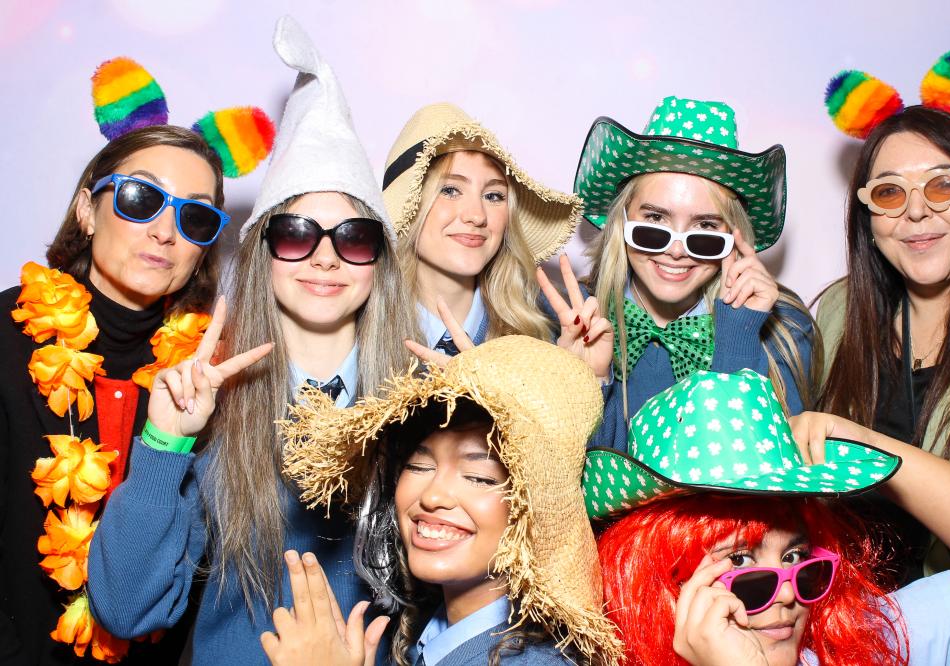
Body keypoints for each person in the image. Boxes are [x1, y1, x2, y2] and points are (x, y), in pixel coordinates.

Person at [85, 18, 417, 665]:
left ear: (378, 261)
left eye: (354, 237)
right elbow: (125, 608)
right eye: (297, 233)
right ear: (263, 251)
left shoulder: (421, 406)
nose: (325, 257)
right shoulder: (208, 404)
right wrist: (164, 443)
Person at [0, 56, 272, 665]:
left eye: (194, 216)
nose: (165, 231)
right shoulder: (4, 338)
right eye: (141, 198)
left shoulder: (216, 376)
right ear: (87, 209)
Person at [590, 369, 950, 665]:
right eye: (740, 560)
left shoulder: (860, 644)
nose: (789, 594)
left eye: (795, 557)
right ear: (664, 579)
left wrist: (871, 446)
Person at [277, 336, 622, 665]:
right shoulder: (433, 633)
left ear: (536, 512)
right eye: (419, 466)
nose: (432, 496)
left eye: (479, 477)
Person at [817, 48, 950, 584]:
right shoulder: (838, 313)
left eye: (943, 185)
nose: (916, 211)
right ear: (869, 220)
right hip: (838, 607)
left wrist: (864, 444)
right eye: (890, 192)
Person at [575, 96, 817, 453]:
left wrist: (738, 338)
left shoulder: (784, 332)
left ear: (734, 234)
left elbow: (745, 469)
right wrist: (589, 381)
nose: (676, 250)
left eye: (705, 226)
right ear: (621, 221)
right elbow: (577, 476)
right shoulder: (573, 318)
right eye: (655, 219)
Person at [382, 102, 582, 356]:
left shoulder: (554, 331)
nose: (477, 216)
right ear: (408, 207)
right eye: (450, 190)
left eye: (493, 196)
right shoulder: (359, 335)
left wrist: (587, 373)